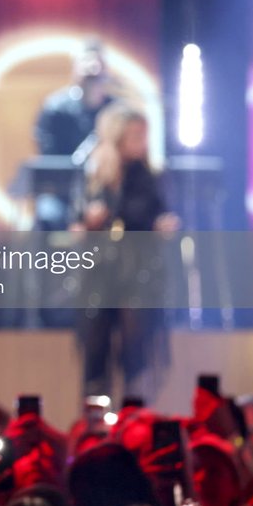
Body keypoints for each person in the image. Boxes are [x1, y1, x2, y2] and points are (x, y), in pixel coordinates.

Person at [74, 102, 178, 401]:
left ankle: (134, 418)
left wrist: (162, 225)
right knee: (95, 350)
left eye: (144, 135)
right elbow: (76, 219)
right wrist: (88, 222)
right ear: (117, 137)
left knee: (136, 352)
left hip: (138, 273)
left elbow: (160, 214)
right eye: (134, 135)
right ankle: (95, 426)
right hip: (99, 272)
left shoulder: (152, 176)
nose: (141, 142)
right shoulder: (94, 176)